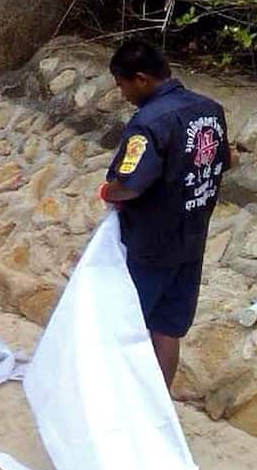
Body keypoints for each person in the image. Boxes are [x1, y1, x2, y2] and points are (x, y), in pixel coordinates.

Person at [100, 39, 234, 390]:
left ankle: (120, 403)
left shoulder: (150, 122)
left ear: (141, 79)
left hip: (150, 244)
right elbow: (226, 161)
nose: (122, 93)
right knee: (168, 328)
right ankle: (159, 405)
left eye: (122, 84)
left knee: (125, 324)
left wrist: (106, 191)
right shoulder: (210, 110)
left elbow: (131, 184)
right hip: (191, 240)